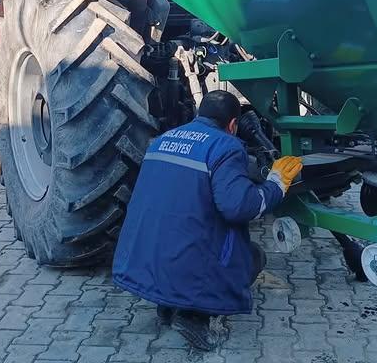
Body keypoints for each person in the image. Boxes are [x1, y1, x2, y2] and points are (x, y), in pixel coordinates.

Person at [113, 90, 302, 351]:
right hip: (185, 264)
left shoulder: (161, 140)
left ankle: (167, 304)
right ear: (233, 125)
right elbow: (239, 208)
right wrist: (276, 184)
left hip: (142, 260)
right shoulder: (226, 146)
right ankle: (195, 316)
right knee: (253, 257)